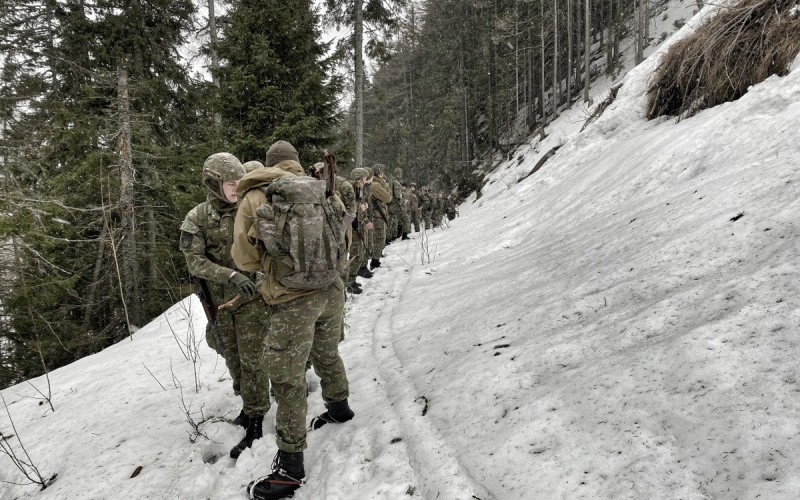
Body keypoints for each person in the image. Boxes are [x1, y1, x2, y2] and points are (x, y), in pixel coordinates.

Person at [232, 140, 354, 500]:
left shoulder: (257, 195)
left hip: (290, 301)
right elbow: (346, 239)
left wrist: (280, 264)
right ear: (296, 163)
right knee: (327, 352)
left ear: (269, 163)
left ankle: (290, 469)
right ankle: (339, 408)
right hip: (332, 290)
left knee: (287, 380)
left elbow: (244, 258)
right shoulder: (323, 188)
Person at [179, 152, 270, 459]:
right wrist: (229, 275)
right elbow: (194, 261)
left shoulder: (252, 208)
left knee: (253, 360)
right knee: (233, 359)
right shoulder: (198, 218)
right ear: (213, 184)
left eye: (239, 182)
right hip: (221, 304)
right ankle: (248, 405)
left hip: (253, 301)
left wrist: (257, 276)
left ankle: (256, 417)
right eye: (230, 183)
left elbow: (270, 248)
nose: (236, 188)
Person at [345, 168, 371, 292]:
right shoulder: (349, 190)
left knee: (358, 255)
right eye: (364, 179)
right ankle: (349, 283)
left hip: (356, 226)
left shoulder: (357, 190)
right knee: (355, 255)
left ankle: (352, 280)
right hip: (351, 228)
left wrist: (364, 218)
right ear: (358, 179)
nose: (365, 182)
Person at [369, 164, 392, 269]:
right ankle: (374, 261)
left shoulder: (378, 183)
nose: (383, 174)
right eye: (382, 172)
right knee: (379, 238)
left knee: (380, 238)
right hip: (377, 215)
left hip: (379, 214)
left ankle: (375, 259)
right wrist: (386, 187)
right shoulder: (376, 185)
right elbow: (388, 198)